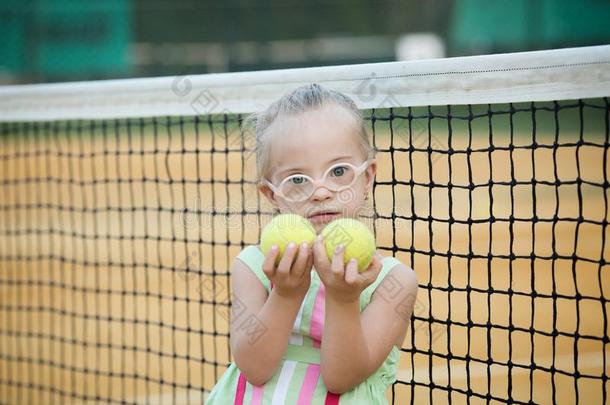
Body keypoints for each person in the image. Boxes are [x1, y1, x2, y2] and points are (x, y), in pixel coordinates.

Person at [205, 84, 418, 404]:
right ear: (272, 194)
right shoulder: (254, 266)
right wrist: (286, 293)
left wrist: (344, 299)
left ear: (368, 178)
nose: (321, 192)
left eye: (339, 171)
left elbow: (341, 378)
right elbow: (254, 367)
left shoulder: (392, 281)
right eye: (298, 180)